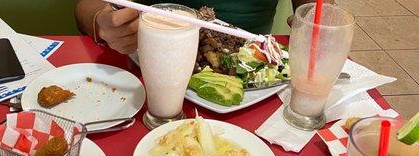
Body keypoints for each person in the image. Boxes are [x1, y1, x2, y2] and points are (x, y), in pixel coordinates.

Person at [75, 0, 329, 55]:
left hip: (254, 66)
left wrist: (319, 20)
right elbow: (85, 8)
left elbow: (318, 8)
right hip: (151, 62)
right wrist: (102, 23)